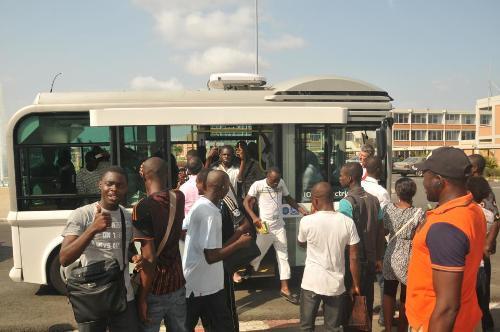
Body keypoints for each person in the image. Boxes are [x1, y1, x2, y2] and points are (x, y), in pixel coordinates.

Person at [406, 147, 486, 331]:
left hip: (433, 322)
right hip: (467, 318)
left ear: (438, 181)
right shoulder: (472, 209)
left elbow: (447, 307)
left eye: (424, 175)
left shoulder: (446, 227)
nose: (422, 182)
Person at [59, 166, 139, 332]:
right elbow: (65, 258)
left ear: (126, 188)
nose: (114, 189)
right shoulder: (82, 214)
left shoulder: (127, 216)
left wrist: (135, 258)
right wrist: (93, 228)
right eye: (109, 184)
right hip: (92, 294)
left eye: (119, 185)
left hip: (123, 295)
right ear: (100, 184)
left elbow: (127, 248)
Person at [183, 170, 252, 332]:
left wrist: (238, 234)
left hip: (206, 285)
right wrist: (240, 244)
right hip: (203, 288)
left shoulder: (200, 205)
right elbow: (212, 256)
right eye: (228, 186)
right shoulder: (210, 214)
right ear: (223, 187)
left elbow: (212, 248)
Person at [131, 157, 187, 332]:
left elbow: (149, 257)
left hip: (154, 289)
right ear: (166, 174)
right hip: (177, 284)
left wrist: (142, 299)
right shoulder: (179, 197)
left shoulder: (141, 207)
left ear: (144, 175)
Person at [297, 182, 361, 331]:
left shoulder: (306, 221)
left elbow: (301, 243)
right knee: (332, 328)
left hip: (311, 283)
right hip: (335, 286)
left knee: (306, 327)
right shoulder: (347, 222)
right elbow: (354, 258)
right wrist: (355, 284)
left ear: (315, 201)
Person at [243, 167, 308, 304]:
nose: (276, 184)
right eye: (273, 181)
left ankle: (285, 288)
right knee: (257, 253)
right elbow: (246, 202)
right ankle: (246, 269)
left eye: (277, 181)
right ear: (267, 176)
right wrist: (254, 217)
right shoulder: (258, 185)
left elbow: (288, 198)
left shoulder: (281, 183)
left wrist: (301, 210)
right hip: (264, 226)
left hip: (279, 226)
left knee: (283, 256)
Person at [338, 162, 384, 323]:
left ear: (349, 179)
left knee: (352, 306)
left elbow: (344, 237)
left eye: (342, 175)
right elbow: (380, 231)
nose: (339, 178)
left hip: (354, 263)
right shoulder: (374, 200)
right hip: (371, 260)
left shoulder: (346, 203)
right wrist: (378, 257)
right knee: (367, 303)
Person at [382, 177, 424, 332]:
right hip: (409, 255)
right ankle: (402, 328)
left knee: (388, 291)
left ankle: (387, 328)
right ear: (413, 193)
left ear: (397, 192)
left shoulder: (387, 209)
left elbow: (384, 231)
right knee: (406, 295)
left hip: (391, 252)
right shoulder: (419, 213)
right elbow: (419, 237)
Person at [360, 156, 390, 326]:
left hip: (358, 242)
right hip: (377, 243)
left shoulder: (359, 186)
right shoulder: (381, 192)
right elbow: (383, 223)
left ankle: (360, 316)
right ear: (378, 170)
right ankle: (384, 318)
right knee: (383, 281)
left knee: (361, 282)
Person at [467, 175, 496, 332]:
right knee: (482, 299)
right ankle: (486, 325)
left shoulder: (467, 214)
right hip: (482, 263)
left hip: (469, 265)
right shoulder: (489, 215)